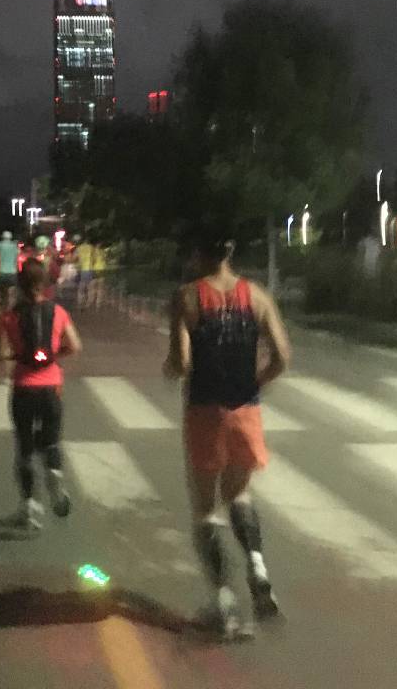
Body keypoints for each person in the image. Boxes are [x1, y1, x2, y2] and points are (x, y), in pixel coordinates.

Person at [164, 230, 291, 637]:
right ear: (231, 251)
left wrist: (171, 369)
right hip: (245, 410)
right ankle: (258, 566)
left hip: (205, 409)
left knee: (205, 508)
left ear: (199, 253)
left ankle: (224, 603)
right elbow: (282, 356)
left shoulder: (187, 298)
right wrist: (254, 382)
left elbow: (182, 361)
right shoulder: (257, 297)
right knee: (239, 493)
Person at [0, 259, 82, 531]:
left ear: (19, 286)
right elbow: (75, 346)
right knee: (51, 442)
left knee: (24, 448)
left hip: (23, 388)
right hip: (51, 387)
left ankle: (29, 507)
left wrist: (14, 354)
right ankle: (54, 472)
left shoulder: (9, 316)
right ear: (44, 284)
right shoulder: (59, 312)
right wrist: (54, 355)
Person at [0, 231, 20, 312]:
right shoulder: (14, 246)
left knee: (1, 291)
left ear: (2, 237)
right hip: (12, 272)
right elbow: (17, 259)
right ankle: (9, 310)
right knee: (11, 293)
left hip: (1, 272)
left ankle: (1, 309)